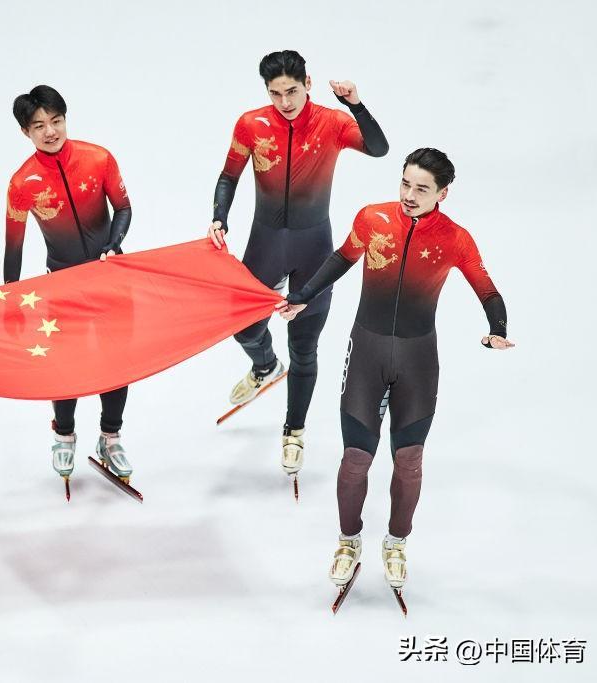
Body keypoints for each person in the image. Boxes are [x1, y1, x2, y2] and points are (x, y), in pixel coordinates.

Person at [274, 148, 513, 590]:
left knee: (409, 460)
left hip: (417, 358)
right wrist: (303, 296)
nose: (409, 195)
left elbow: (487, 290)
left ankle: (397, 543)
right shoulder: (373, 218)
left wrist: (497, 329)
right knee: (355, 459)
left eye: (421, 188)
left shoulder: (455, 238)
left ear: (442, 194)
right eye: (405, 183)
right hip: (367, 349)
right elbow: (341, 258)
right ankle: (348, 541)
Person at [206, 50, 388, 479]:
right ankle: (265, 366)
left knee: (304, 347)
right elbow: (229, 176)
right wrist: (219, 216)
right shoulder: (251, 124)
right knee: (242, 326)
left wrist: (356, 105)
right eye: (275, 93)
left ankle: (294, 430)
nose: (285, 102)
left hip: (313, 248)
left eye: (291, 90)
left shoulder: (333, 122)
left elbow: (379, 149)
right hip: (266, 242)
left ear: (308, 82)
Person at [4, 85, 134, 482]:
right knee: (65, 363)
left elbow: (123, 208)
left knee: (117, 361)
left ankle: (110, 437)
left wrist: (113, 243)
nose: (50, 131)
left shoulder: (98, 158)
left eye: (56, 121)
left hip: (110, 276)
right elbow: (14, 245)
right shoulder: (22, 183)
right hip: (61, 284)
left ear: (65, 119)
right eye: (38, 125)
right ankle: (63, 435)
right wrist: (10, 297)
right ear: (25, 131)